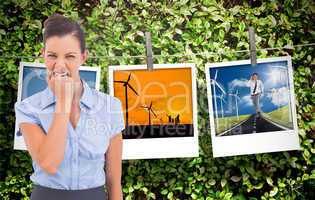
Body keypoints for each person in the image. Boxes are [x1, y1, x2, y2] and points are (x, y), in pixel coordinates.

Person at [14, 13, 124, 200]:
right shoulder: (28, 109)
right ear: (43, 56)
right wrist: (63, 102)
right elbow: (49, 163)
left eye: (70, 56)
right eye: (52, 56)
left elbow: (114, 181)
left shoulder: (109, 106)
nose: (60, 65)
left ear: (83, 57)